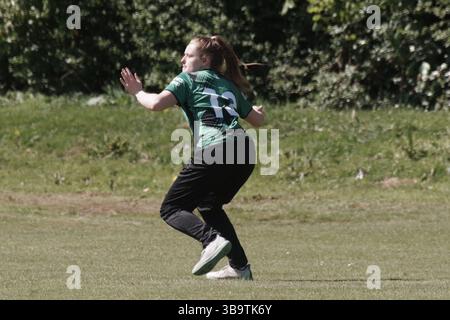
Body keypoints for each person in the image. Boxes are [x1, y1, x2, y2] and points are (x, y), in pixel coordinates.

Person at [120, 35, 265, 280]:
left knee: (171, 208)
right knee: (208, 204)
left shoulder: (187, 79)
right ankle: (240, 268)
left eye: (188, 55)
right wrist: (257, 111)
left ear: (204, 59)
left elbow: (155, 104)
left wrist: (137, 92)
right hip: (244, 151)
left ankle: (211, 241)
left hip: (216, 148)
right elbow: (258, 121)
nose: (182, 59)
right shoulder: (227, 84)